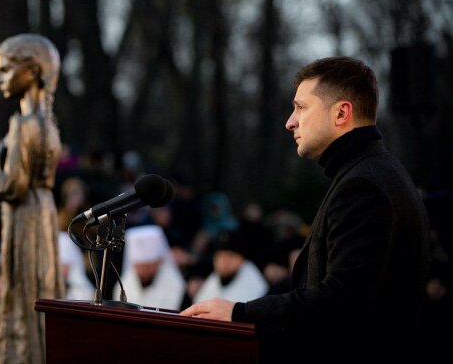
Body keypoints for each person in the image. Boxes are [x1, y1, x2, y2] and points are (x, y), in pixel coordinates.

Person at [181, 57, 430, 363]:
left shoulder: (365, 185)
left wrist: (239, 312)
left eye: (301, 107)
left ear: (341, 112)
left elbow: (341, 301)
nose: (290, 121)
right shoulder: (372, 173)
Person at [0, 34, 65, 364]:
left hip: (24, 214)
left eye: (6, 69)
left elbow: (12, 186)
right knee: (42, 284)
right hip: (45, 209)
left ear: (32, 72)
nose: (0, 78)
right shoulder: (49, 123)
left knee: (24, 291)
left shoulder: (23, 124)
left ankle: (24, 355)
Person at [115, 225, 185, 311]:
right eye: (141, 266)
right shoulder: (123, 285)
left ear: (159, 262)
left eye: (149, 265)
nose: (145, 270)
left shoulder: (174, 284)